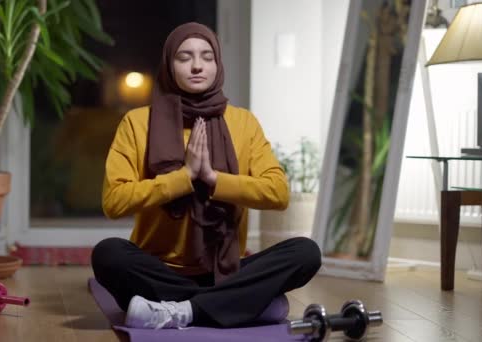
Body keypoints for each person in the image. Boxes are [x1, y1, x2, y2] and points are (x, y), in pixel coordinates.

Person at [92, 22, 321, 330]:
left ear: (218, 64)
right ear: (169, 64)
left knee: (306, 252)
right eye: (184, 57)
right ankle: (239, 304)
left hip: (226, 270)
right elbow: (114, 201)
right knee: (109, 254)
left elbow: (278, 193)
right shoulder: (137, 123)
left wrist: (214, 179)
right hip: (158, 270)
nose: (197, 66)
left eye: (207, 56)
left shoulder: (243, 122)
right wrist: (183, 177)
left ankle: (181, 310)